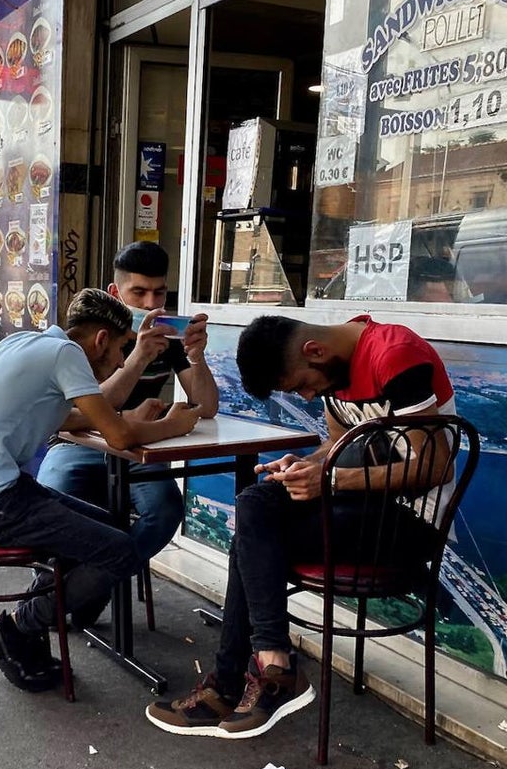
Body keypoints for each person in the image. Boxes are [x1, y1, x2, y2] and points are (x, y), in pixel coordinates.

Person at [145, 314, 455, 739]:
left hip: (408, 522)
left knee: (252, 539)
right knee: (255, 505)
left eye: (302, 386)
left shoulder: (395, 356)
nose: (308, 395)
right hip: (356, 507)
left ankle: (245, 678)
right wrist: (306, 466)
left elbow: (435, 466)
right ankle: (268, 666)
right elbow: (338, 446)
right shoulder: (334, 368)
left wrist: (330, 479)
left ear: (314, 351)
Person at [0, 288, 201, 691]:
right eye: (121, 349)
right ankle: (17, 627)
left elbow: (69, 417)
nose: (121, 361)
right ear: (101, 339)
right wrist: (171, 426)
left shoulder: (30, 342)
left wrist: (123, 419)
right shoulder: (66, 355)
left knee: (111, 527)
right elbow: (119, 437)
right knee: (121, 552)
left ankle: (25, 628)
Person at [37, 242, 219, 616]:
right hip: (76, 445)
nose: (151, 304)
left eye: (159, 293)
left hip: (138, 452)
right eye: (139, 292)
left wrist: (197, 358)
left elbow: (208, 407)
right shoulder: (90, 336)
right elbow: (80, 411)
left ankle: (83, 591)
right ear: (115, 293)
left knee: (165, 511)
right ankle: (56, 597)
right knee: (51, 503)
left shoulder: (169, 338)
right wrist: (137, 359)